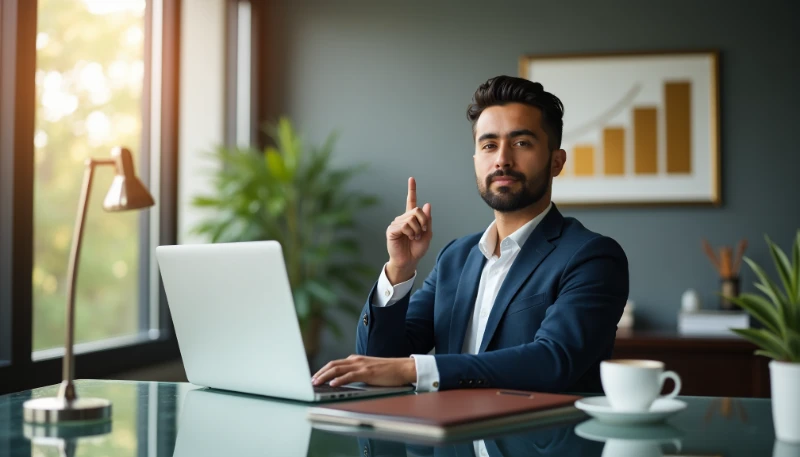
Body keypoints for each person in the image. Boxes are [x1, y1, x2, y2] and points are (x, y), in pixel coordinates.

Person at [312, 75, 629, 393]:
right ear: (477, 161)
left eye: (521, 143)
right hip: (452, 440)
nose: (502, 159)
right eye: (489, 145)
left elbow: (553, 360)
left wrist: (415, 368)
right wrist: (399, 269)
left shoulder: (592, 257)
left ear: (556, 161)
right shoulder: (455, 257)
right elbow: (378, 363)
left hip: (537, 439)